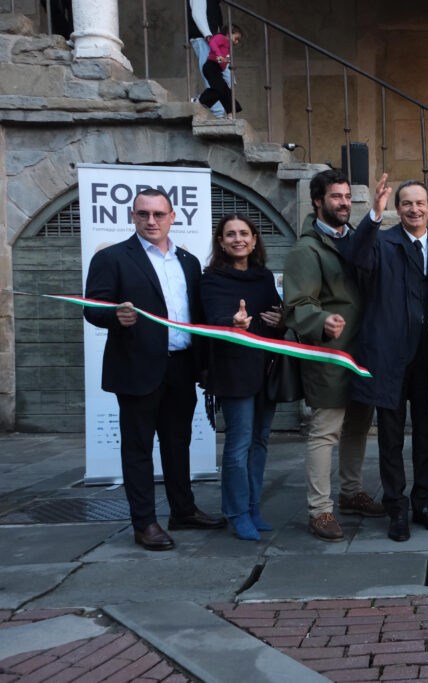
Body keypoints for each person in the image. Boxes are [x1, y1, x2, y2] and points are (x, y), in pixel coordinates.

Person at [83, 189, 226, 551]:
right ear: (132, 216)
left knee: (178, 444)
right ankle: (144, 523)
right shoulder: (113, 258)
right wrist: (114, 315)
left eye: (159, 214)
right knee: (138, 449)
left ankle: (183, 510)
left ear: (172, 217)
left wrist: (205, 366)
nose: (152, 221)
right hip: (136, 369)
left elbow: (199, 317)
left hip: (180, 366)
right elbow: (91, 307)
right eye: (144, 214)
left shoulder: (189, 261)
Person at [335, 180, 428, 542]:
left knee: (426, 437)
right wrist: (374, 213)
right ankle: (396, 507)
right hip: (389, 356)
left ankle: (422, 502)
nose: (414, 209)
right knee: (390, 437)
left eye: (420, 203)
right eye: (406, 204)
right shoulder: (381, 242)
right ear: (397, 208)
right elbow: (355, 255)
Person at [283, 170, 391, 542]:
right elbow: (297, 303)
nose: (344, 203)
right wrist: (321, 319)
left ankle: (351, 492)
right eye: (335, 197)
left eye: (347, 196)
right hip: (329, 353)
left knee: (360, 426)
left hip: (364, 350)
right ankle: (320, 510)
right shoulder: (306, 249)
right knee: (325, 431)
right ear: (318, 201)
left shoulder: (357, 240)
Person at [201, 214, 284, 541]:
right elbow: (213, 317)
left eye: (244, 234)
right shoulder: (211, 279)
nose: (238, 239)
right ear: (221, 242)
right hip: (233, 371)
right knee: (239, 444)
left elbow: (275, 315)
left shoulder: (263, 277)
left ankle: (252, 507)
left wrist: (281, 319)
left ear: (253, 240)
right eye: (230, 234)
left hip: (265, 369)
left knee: (260, 441)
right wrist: (233, 323)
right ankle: (236, 512)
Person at [187, 0, 226, 117]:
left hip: (212, 39)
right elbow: (197, 13)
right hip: (204, 38)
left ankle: (200, 101)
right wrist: (208, 35)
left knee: (227, 77)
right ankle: (219, 114)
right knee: (214, 76)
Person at [198, 26, 243, 118]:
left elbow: (222, 59)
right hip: (211, 67)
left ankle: (230, 115)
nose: (236, 42)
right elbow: (212, 43)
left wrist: (226, 60)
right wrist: (220, 56)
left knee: (224, 90)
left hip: (216, 69)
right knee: (220, 89)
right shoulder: (221, 38)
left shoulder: (227, 46)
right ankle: (198, 101)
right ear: (229, 34)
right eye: (236, 38)